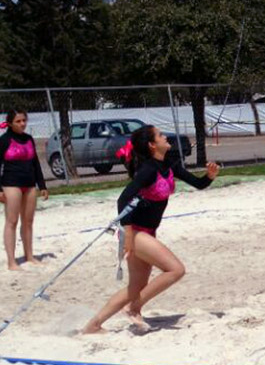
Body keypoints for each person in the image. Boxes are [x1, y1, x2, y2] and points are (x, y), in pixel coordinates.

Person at [82, 125, 219, 334]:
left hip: (147, 231)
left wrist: (209, 176)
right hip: (134, 231)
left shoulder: (169, 164)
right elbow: (123, 200)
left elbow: (198, 184)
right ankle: (133, 308)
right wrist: (127, 236)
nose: (166, 137)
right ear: (152, 145)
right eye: (161, 135)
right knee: (176, 270)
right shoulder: (147, 170)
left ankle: (93, 325)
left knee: (135, 288)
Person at [0, 110, 49, 271]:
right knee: (11, 221)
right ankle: (11, 261)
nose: (22, 124)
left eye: (24, 120)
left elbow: (35, 163)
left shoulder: (29, 139)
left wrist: (42, 186)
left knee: (28, 222)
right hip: (11, 184)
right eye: (18, 121)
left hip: (29, 185)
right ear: (10, 123)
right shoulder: (4, 140)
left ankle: (29, 255)